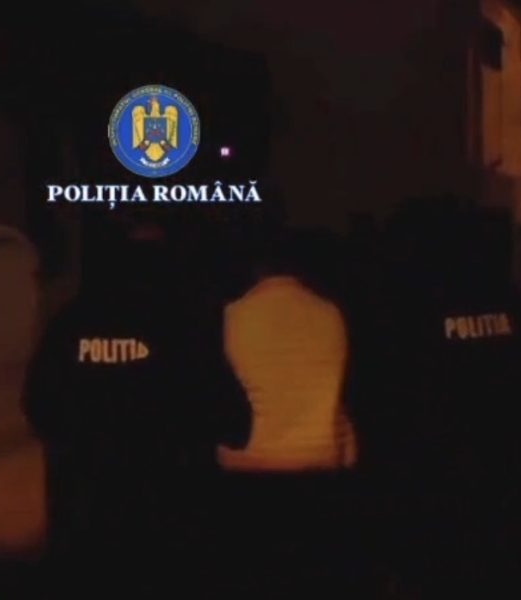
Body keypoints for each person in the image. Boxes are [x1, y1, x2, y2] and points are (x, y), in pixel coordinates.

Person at [22, 214, 251, 595]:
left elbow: (39, 405)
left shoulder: (71, 323)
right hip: (166, 530)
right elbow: (232, 420)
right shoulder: (186, 326)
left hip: (87, 528)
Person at [372, 196, 521, 597]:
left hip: (440, 471)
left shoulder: (413, 304)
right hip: (504, 466)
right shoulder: (507, 299)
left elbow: (395, 388)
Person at [213, 228, 364, 597]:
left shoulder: (233, 316)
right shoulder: (330, 313)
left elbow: (218, 399)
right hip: (321, 469)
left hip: (253, 473)